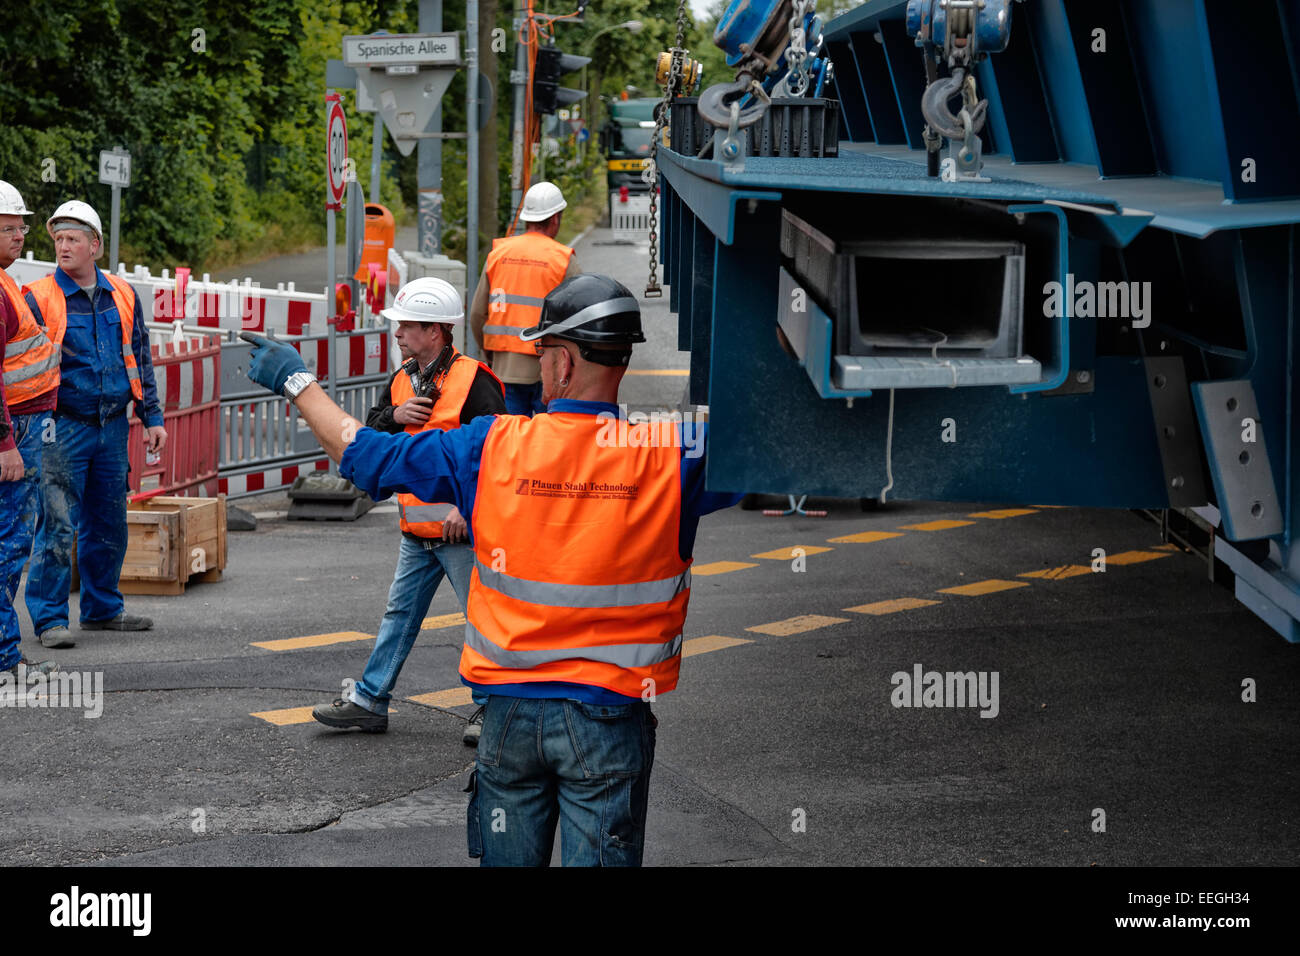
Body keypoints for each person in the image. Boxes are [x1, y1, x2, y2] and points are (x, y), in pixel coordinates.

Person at [241, 274, 741, 866]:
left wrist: (295, 380)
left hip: (511, 718)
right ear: (624, 360)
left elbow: (364, 454)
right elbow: (777, 444)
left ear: (558, 362)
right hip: (611, 718)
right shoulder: (673, 453)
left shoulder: (492, 446)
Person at [311, 277, 506, 735]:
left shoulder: (475, 380)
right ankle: (371, 700)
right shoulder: (401, 380)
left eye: (405, 327)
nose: (396, 334)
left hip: (461, 532)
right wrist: (394, 418)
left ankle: (492, 710)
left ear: (435, 331)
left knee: (480, 620)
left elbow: (499, 453)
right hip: (416, 534)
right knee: (400, 616)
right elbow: (372, 434)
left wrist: (467, 507)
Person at [21, 201, 166, 647]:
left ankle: (103, 609)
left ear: (95, 246)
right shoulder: (40, 297)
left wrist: (152, 416)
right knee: (58, 523)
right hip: (60, 427)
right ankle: (49, 620)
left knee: (109, 521)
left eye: (73, 239)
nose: (63, 247)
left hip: (111, 426)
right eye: (58, 239)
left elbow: (139, 356)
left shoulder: (122, 293)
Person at [0, 181, 60, 677]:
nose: (20, 236)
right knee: (11, 542)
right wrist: (5, 444)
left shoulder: (5, 283)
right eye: (10, 228)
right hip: (14, 430)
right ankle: (3, 657)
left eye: (21, 227)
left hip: (25, 424)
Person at [468, 181, 581, 417]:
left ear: (527, 218)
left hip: (505, 367)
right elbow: (579, 320)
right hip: (550, 370)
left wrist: (490, 352)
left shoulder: (498, 255)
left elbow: (478, 314)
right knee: (546, 440)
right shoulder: (563, 260)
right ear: (555, 218)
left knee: (510, 441)